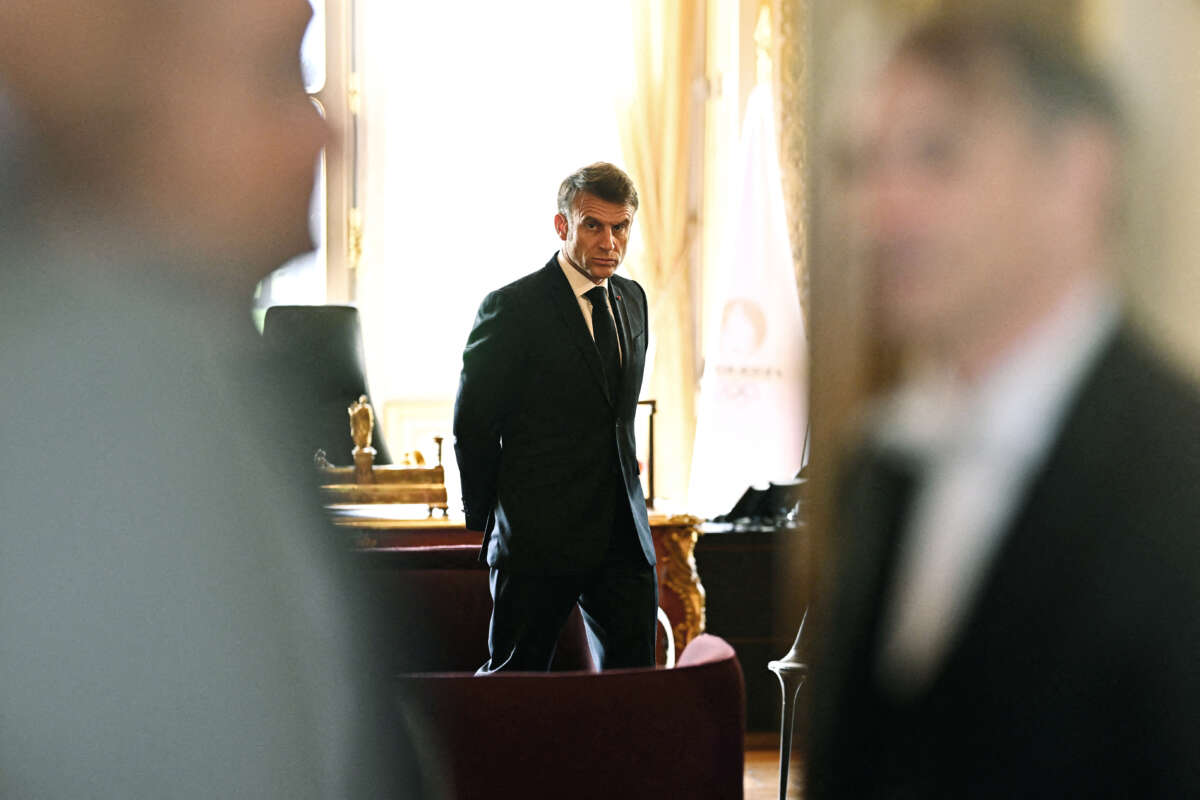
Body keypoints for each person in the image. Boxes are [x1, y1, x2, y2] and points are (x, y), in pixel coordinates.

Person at [0, 2, 424, 796]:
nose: (325, 137)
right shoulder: (102, 399)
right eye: (277, 77)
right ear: (120, 104)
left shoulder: (197, 365)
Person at [808, 13, 1200, 798]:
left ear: (1079, 174)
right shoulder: (880, 464)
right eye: (863, 164)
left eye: (936, 156)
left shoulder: (1180, 470)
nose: (881, 209)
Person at [453, 162, 657, 672]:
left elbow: (615, 414)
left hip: (623, 538)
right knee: (514, 686)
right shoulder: (511, 309)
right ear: (563, 226)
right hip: (538, 540)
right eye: (594, 225)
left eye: (621, 227)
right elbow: (473, 427)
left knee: (636, 691)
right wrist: (494, 521)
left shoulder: (633, 300)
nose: (609, 241)